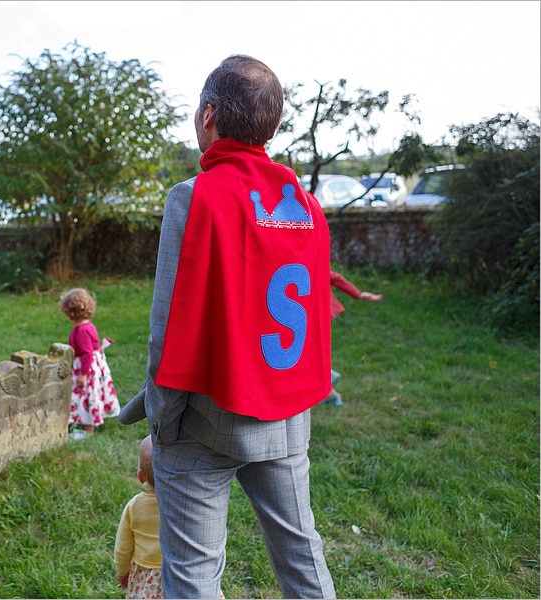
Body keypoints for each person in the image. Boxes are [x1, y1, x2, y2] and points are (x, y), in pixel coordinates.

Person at [118, 55, 337, 598]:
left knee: (193, 574)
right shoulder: (305, 204)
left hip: (203, 419)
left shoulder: (194, 196)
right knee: (302, 556)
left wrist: (162, 419)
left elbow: (168, 323)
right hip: (285, 418)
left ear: (208, 113)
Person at [58, 287, 120, 439]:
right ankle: (81, 424)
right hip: (92, 365)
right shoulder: (88, 325)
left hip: (87, 368)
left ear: (70, 311)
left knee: (87, 395)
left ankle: (88, 429)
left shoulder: (81, 330)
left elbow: (87, 353)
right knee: (86, 396)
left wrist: (83, 374)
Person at [322, 269, 384, 406]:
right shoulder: (311, 257)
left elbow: (332, 276)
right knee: (315, 349)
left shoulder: (302, 258)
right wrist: (358, 294)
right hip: (323, 310)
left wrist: (359, 294)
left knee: (307, 352)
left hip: (314, 311)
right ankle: (332, 396)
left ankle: (327, 374)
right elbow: (335, 277)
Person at [114, 435, 163, 599]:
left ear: (140, 477)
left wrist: (122, 572)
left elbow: (123, 546)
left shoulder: (134, 506)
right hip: (181, 572)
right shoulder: (184, 504)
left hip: (145, 575)